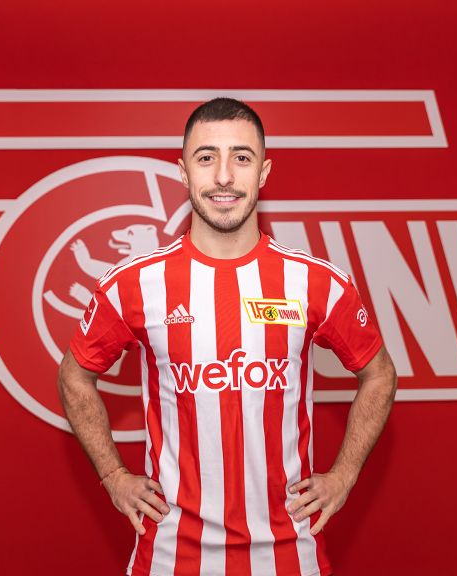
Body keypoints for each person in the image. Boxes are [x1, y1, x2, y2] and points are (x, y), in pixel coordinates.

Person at [57, 97, 397, 576]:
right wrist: (114, 476)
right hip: (172, 554)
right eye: (206, 158)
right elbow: (74, 377)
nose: (223, 176)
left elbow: (379, 375)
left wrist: (344, 475)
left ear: (263, 172)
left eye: (241, 157)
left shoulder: (316, 282)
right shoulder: (133, 284)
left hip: (289, 553)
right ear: (182, 172)